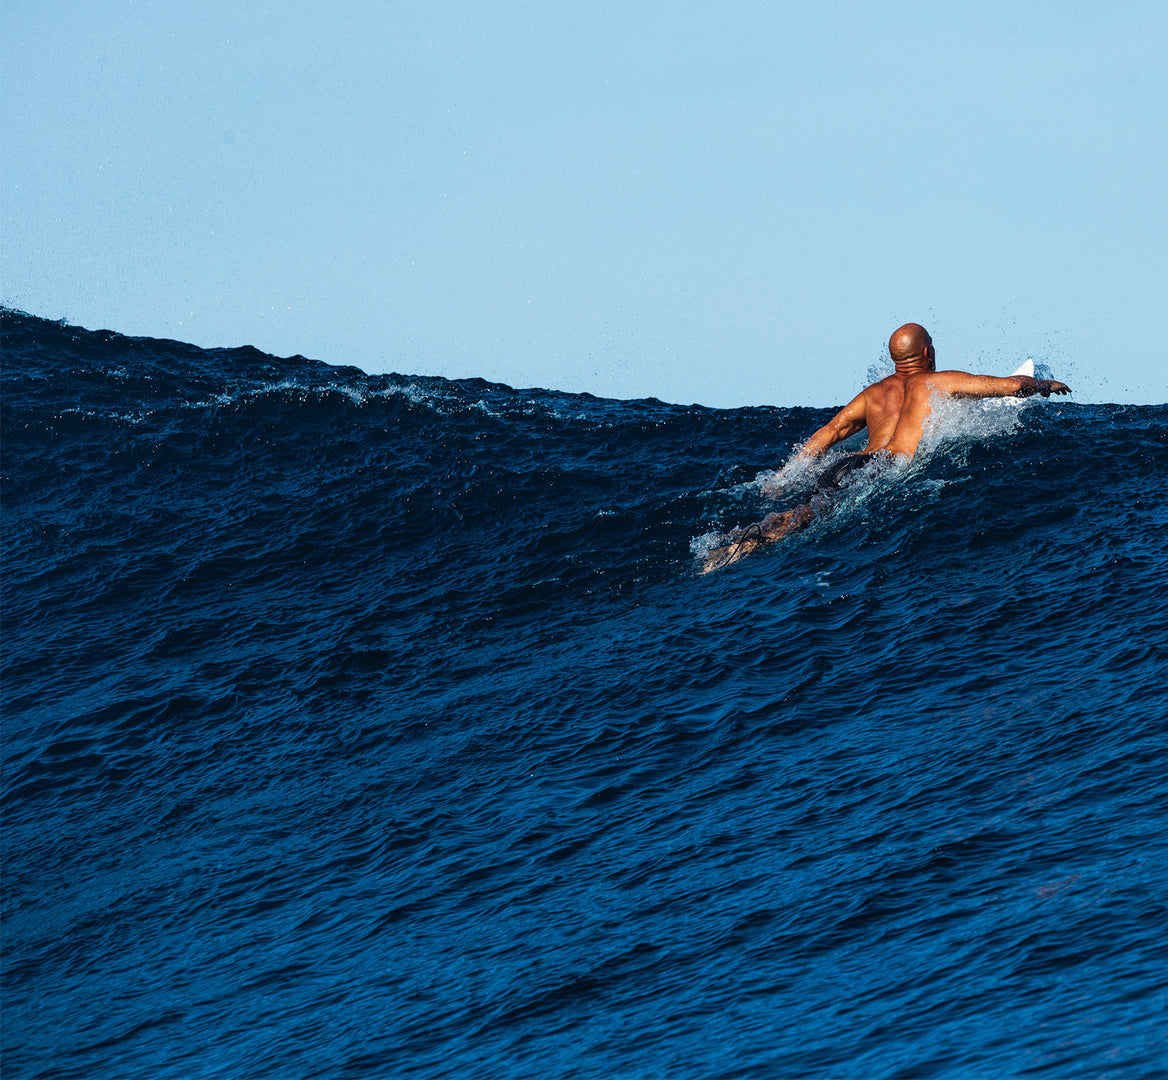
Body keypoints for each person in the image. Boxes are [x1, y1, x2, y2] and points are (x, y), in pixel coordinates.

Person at [701, 323, 1070, 572]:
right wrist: (1047, 385)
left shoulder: (874, 394)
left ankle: (737, 541)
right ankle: (749, 543)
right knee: (815, 515)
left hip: (847, 464)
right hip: (882, 467)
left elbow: (828, 434)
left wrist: (783, 477)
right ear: (928, 352)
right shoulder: (938, 382)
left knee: (809, 508)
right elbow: (1010, 386)